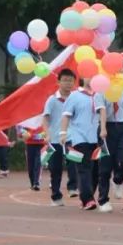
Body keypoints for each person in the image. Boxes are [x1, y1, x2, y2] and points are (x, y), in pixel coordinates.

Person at [59, 74, 107, 210]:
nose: (91, 79)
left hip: (97, 138)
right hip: (79, 137)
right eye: (88, 76)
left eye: (94, 76)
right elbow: (66, 115)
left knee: (97, 169)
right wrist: (63, 133)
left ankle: (87, 195)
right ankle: (88, 199)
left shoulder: (100, 95)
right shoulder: (74, 96)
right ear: (82, 79)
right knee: (84, 168)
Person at [42, 69, 78, 205]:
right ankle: (56, 196)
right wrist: (47, 134)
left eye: (71, 81)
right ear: (58, 82)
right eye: (65, 80)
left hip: (72, 138)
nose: (68, 83)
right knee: (55, 169)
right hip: (55, 139)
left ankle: (73, 187)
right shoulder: (52, 100)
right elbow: (45, 119)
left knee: (74, 163)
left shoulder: (76, 98)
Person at [97, 83, 123, 209]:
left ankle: (118, 180)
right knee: (105, 166)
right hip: (106, 128)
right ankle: (103, 200)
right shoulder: (100, 92)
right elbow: (102, 111)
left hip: (122, 127)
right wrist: (102, 129)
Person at [17, 116, 45, 191]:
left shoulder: (43, 116)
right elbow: (19, 129)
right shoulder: (27, 117)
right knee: (30, 165)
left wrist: (32, 136)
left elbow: (45, 133)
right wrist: (22, 133)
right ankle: (33, 183)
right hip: (29, 144)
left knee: (38, 163)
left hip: (41, 144)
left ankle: (36, 183)